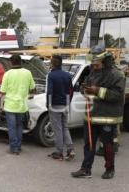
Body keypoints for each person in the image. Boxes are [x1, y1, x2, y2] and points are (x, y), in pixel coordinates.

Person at [71, 46, 126, 179]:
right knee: (88, 144)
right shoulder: (92, 72)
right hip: (91, 116)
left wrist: (97, 91)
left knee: (107, 145)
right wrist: (86, 90)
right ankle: (86, 169)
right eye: (92, 61)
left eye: (96, 62)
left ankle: (109, 169)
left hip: (107, 117)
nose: (94, 64)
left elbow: (117, 95)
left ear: (104, 60)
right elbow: (88, 87)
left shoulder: (116, 74)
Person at [0, 54, 35, 155]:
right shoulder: (28, 73)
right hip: (22, 106)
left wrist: (1, 105)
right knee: (19, 126)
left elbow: (3, 91)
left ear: (11, 62)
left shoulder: (8, 74)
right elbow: (32, 89)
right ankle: (18, 146)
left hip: (10, 105)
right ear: (20, 62)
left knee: (12, 127)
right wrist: (29, 95)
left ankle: (13, 148)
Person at [46, 55, 75, 161]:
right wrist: (68, 103)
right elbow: (70, 91)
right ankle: (70, 149)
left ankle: (59, 152)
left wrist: (48, 104)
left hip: (55, 105)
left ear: (52, 64)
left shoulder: (51, 75)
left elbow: (50, 92)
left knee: (57, 129)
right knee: (65, 127)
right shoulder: (67, 75)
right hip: (65, 104)